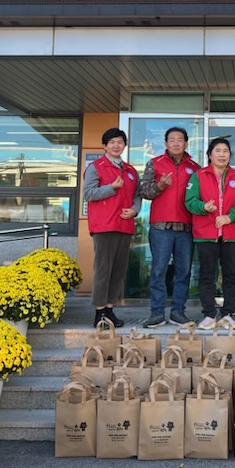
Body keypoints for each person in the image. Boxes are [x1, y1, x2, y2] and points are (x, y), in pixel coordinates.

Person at [185, 137, 235, 329]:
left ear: (230, 155)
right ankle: (208, 314)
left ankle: (228, 314)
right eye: (218, 151)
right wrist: (203, 207)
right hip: (206, 232)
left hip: (231, 233)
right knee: (207, 275)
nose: (222, 155)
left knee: (231, 274)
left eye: (225, 151)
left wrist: (230, 217)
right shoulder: (198, 175)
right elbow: (190, 201)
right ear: (210, 154)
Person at [139, 127, 201, 328]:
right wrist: (159, 186)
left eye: (179, 139)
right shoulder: (154, 163)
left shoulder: (195, 167)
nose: (176, 143)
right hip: (161, 228)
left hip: (186, 228)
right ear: (165, 143)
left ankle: (177, 312)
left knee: (184, 272)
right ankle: (157, 312)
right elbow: (144, 191)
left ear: (186, 143)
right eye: (172, 140)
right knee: (159, 271)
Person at [82, 127, 141, 328]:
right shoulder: (96, 167)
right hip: (104, 225)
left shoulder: (131, 171)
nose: (116, 146)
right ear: (104, 146)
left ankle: (109, 309)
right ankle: (99, 312)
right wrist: (111, 188)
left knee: (118, 271)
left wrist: (134, 210)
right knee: (103, 270)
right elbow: (88, 193)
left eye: (120, 142)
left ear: (125, 145)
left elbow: (137, 196)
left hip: (124, 225)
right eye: (112, 142)